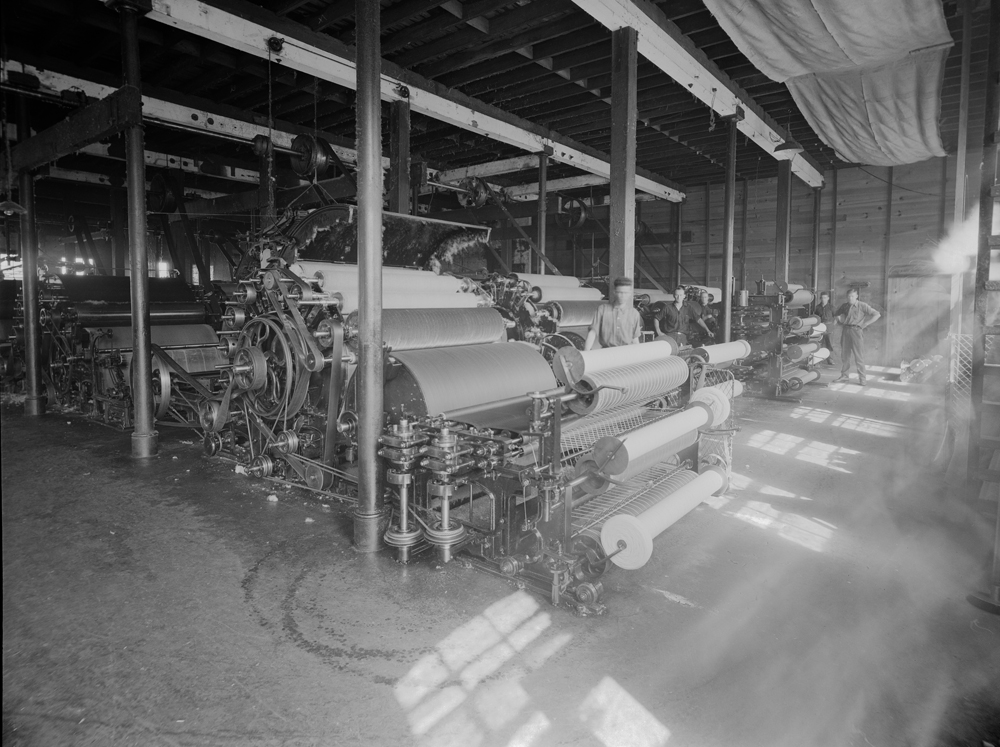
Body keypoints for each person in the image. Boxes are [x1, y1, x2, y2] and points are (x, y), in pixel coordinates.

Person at [833, 288, 881, 385]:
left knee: (859, 356)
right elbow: (836, 315)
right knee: (845, 356)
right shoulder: (844, 306)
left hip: (856, 332)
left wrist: (866, 324)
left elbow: (877, 314)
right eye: (848, 296)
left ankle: (862, 378)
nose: (850, 298)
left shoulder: (862, 305)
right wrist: (838, 319)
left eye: (852, 296)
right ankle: (844, 376)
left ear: (856, 296)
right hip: (845, 331)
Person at [584, 276, 643, 350]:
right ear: (614, 292)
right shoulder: (602, 310)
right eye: (620, 292)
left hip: (627, 352)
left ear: (630, 293)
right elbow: (592, 333)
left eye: (625, 293)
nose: (623, 296)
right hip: (607, 352)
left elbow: (635, 339)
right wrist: (586, 352)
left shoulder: (634, 313)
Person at [649, 285, 713, 345]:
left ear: (684, 296)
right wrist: (659, 332)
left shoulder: (688, 308)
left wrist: (708, 330)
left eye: (680, 295)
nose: (678, 297)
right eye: (676, 295)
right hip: (670, 336)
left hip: (683, 337)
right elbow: (656, 318)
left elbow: (698, 319)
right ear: (674, 295)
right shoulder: (668, 308)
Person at [814, 291, 838, 366]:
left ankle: (830, 359)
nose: (823, 299)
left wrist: (831, 326)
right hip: (820, 327)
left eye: (825, 298)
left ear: (828, 298)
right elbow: (815, 318)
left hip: (829, 327)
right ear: (820, 298)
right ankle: (818, 360)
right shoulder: (817, 307)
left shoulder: (831, 307)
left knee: (829, 343)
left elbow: (836, 317)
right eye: (822, 298)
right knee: (819, 342)